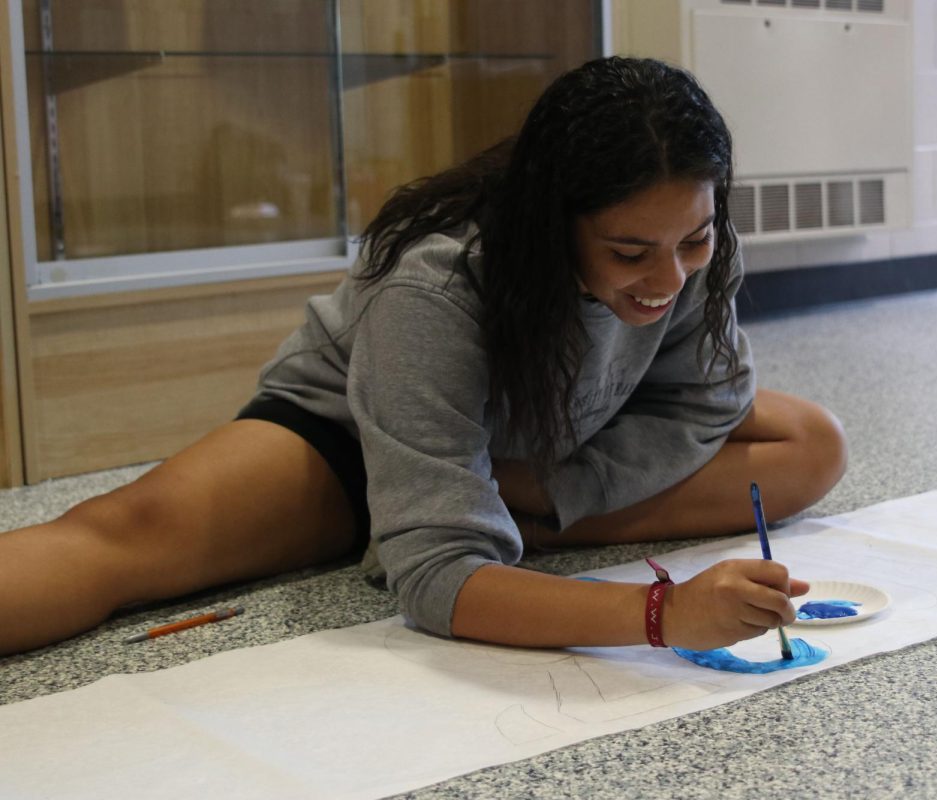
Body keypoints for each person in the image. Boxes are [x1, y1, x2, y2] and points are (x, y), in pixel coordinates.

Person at [0, 57, 846, 657]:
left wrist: (555, 489)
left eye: (694, 239)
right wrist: (661, 613)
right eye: (629, 254)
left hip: (542, 440)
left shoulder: (677, 239)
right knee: (121, 540)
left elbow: (706, 401)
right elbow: (441, 585)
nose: (667, 279)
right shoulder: (435, 288)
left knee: (809, 445)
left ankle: (506, 507)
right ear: (550, 225)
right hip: (354, 440)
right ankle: (449, 504)